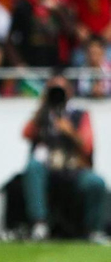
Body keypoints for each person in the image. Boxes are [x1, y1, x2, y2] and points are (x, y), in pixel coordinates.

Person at [21, 73, 107, 243]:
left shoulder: (80, 115)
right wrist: (43, 106)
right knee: (32, 167)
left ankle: (94, 230)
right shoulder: (43, 114)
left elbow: (87, 145)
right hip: (47, 168)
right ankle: (40, 224)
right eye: (54, 90)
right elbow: (26, 133)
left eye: (61, 90)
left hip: (73, 168)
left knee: (97, 182)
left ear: (70, 92)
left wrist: (70, 132)